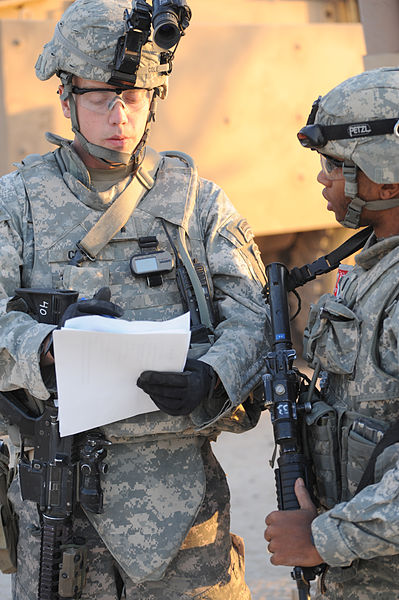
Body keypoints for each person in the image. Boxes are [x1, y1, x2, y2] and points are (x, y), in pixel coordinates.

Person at [0, 1, 271, 598]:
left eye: (134, 96)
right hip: (59, 502)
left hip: (182, 505)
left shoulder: (197, 202)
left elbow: (255, 316)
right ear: (67, 97)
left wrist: (211, 374)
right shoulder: (17, 201)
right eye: (101, 98)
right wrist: (46, 346)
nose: (119, 114)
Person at [264, 66, 399, 599]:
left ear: (386, 175)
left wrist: (324, 538)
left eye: (335, 164)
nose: (322, 178)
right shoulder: (372, 265)